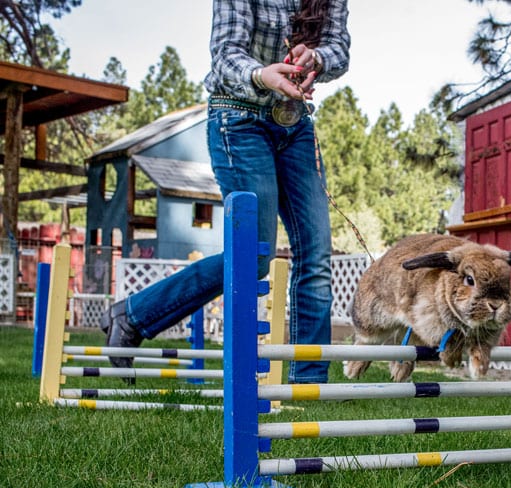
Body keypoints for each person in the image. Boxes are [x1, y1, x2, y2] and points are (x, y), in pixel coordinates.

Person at [100, 0, 351, 384]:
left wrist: (316, 56)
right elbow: (225, 54)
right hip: (238, 118)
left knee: (316, 252)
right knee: (254, 257)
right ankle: (134, 314)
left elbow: (340, 51)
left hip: (295, 124)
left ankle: (310, 384)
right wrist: (262, 74)